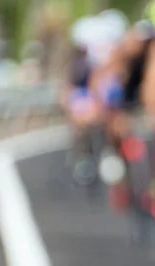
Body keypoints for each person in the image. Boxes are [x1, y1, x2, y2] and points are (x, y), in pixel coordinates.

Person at [90, 0, 155, 214]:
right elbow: (142, 82)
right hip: (131, 91)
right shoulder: (137, 41)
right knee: (120, 128)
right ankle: (123, 175)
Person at [61, 10, 128, 186]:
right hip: (87, 87)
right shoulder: (82, 30)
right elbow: (73, 69)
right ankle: (84, 154)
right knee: (80, 118)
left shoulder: (114, 24)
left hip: (108, 83)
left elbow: (119, 63)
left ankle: (111, 151)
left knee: (113, 118)